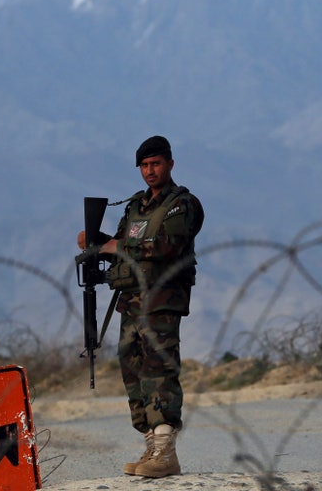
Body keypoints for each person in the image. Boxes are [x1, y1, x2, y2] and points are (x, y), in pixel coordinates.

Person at [76, 135, 203, 478]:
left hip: (162, 300)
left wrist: (116, 246)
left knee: (159, 368)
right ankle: (152, 443)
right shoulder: (136, 206)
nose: (150, 171)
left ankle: (165, 451)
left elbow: (166, 245)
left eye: (156, 164)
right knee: (132, 368)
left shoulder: (183, 204)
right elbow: (122, 246)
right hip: (131, 301)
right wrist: (97, 241)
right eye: (144, 166)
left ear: (170, 164)